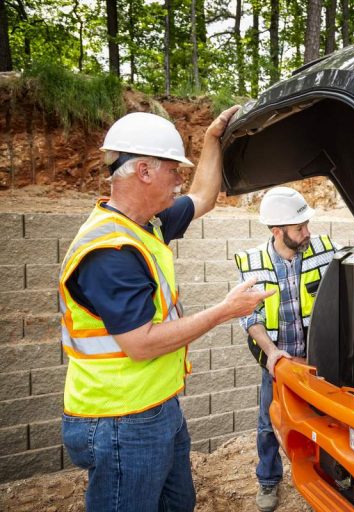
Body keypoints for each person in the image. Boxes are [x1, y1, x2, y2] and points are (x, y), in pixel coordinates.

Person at [59, 108, 274, 512]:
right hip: (120, 420)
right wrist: (226, 310)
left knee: (178, 503)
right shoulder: (110, 252)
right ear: (143, 171)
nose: (179, 181)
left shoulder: (147, 225)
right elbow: (141, 344)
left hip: (156, 408)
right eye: (174, 170)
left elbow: (203, 195)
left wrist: (212, 139)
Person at [233, 187, 336, 512]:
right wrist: (272, 354)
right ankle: (268, 481)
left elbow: (338, 299)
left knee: (326, 424)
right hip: (278, 363)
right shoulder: (253, 262)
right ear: (277, 231)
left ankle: (325, 480)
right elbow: (250, 317)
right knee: (268, 424)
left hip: (318, 362)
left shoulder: (324, 250)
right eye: (299, 228)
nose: (307, 232)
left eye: (306, 225)